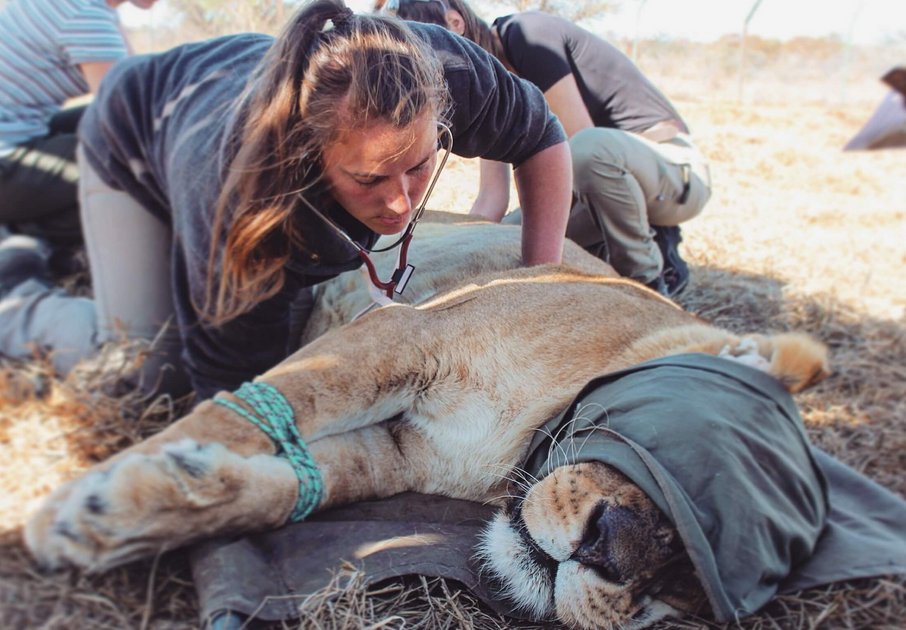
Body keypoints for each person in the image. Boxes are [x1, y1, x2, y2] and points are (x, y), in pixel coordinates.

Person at [0, 0, 572, 400]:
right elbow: (230, 392)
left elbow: (542, 137)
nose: (401, 207)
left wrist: (538, 282)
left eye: (419, 165)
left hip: (207, 133)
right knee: (152, 373)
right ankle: (17, 285)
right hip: (131, 135)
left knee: (294, 332)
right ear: (306, 151)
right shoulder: (244, 189)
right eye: (369, 179)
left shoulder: (446, 71)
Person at [380, 0, 712, 297]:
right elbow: (491, 199)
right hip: (597, 184)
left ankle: (649, 278)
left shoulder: (527, 33)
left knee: (587, 152)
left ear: (455, 23)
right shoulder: (489, 89)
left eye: (434, 48)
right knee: (503, 242)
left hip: (670, 168)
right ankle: (603, 253)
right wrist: (456, 244)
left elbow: (580, 144)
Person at [0, 0, 158, 272]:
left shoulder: (88, 8)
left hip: (21, 134)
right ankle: (22, 231)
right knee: (131, 160)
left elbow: (136, 80)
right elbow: (128, 114)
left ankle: (28, 223)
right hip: (6, 162)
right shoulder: (86, 17)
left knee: (104, 127)